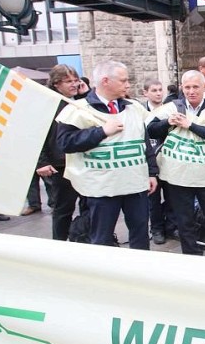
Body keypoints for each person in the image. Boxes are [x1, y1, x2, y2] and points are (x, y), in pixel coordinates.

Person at [56, 60, 158, 248]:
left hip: (134, 183)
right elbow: (65, 143)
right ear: (105, 81)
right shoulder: (78, 110)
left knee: (140, 232)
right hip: (101, 187)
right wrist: (101, 132)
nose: (128, 85)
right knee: (101, 237)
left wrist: (152, 172)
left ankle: (141, 271)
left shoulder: (134, 108)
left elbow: (144, 143)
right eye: (123, 80)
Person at [147, 70, 205, 258]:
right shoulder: (172, 107)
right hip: (178, 176)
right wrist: (167, 122)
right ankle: (191, 255)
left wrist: (190, 125)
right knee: (184, 219)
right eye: (187, 87)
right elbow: (151, 130)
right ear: (182, 88)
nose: (191, 91)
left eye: (195, 87)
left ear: (204, 87)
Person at [35, 64, 83, 240]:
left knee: (88, 204)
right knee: (63, 208)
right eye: (68, 81)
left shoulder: (78, 101)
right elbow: (38, 134)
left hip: (80, 159)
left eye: (75, 80)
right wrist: (42, 162)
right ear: (56, 83)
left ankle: (83, 236)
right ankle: (60, 242)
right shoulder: (49, 103)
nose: (73, 85)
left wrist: (83, 93)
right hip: (60, 163)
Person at [141, 78, 176, 244]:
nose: (158, 93)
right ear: (145, 93)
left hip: (169, 161)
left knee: (171, 198)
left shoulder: (170, 110)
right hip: (150, 163)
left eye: (160, 90)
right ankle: (156, 229)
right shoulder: (141, 112)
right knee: (152, 200)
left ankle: (171, 227)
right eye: (154, 90)